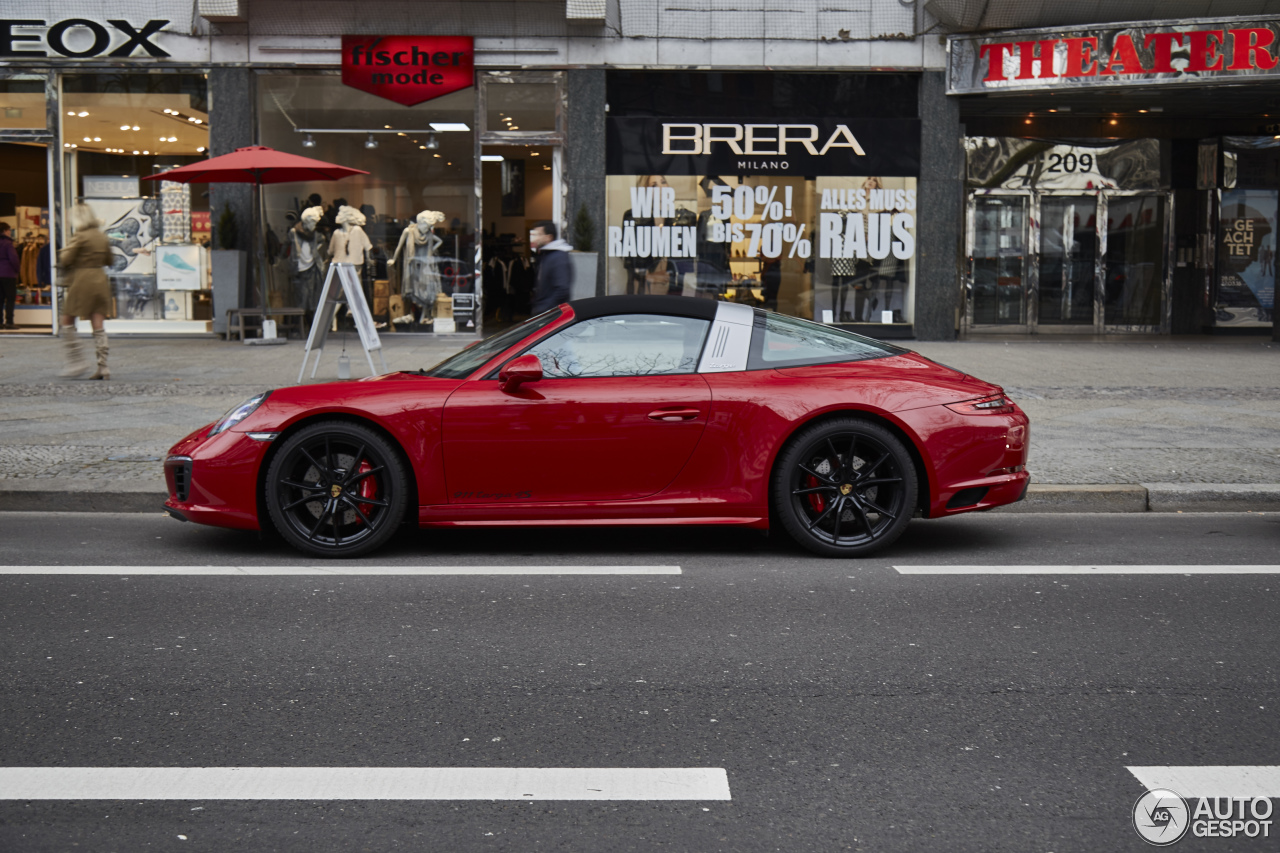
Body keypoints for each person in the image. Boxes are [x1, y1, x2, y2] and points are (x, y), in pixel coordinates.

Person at [58, 203, 113, 379]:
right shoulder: (101, 236)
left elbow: (66, 258)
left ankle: (76, 362)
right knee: (98, 324)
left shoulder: (80, 236)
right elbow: (110, 260)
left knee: (67, 320)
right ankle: (103, 366)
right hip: (100, 279)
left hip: (82, 281)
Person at [529, 220, 573, 315]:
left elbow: (562, 289)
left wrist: (544, 309)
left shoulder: (558, 257)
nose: (535, 238)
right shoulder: (545, 255)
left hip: (550, 315)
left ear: (549, 237)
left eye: (539, 234)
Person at [0, 222, 18, 329]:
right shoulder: (8, 244)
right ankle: (9, 322)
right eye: (9, 230)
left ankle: (0, 322)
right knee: (10, 299)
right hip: (8, 275)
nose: (10, 232)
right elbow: (14, 259)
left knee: (0, 299)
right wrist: (17, 270)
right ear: (5, 231)